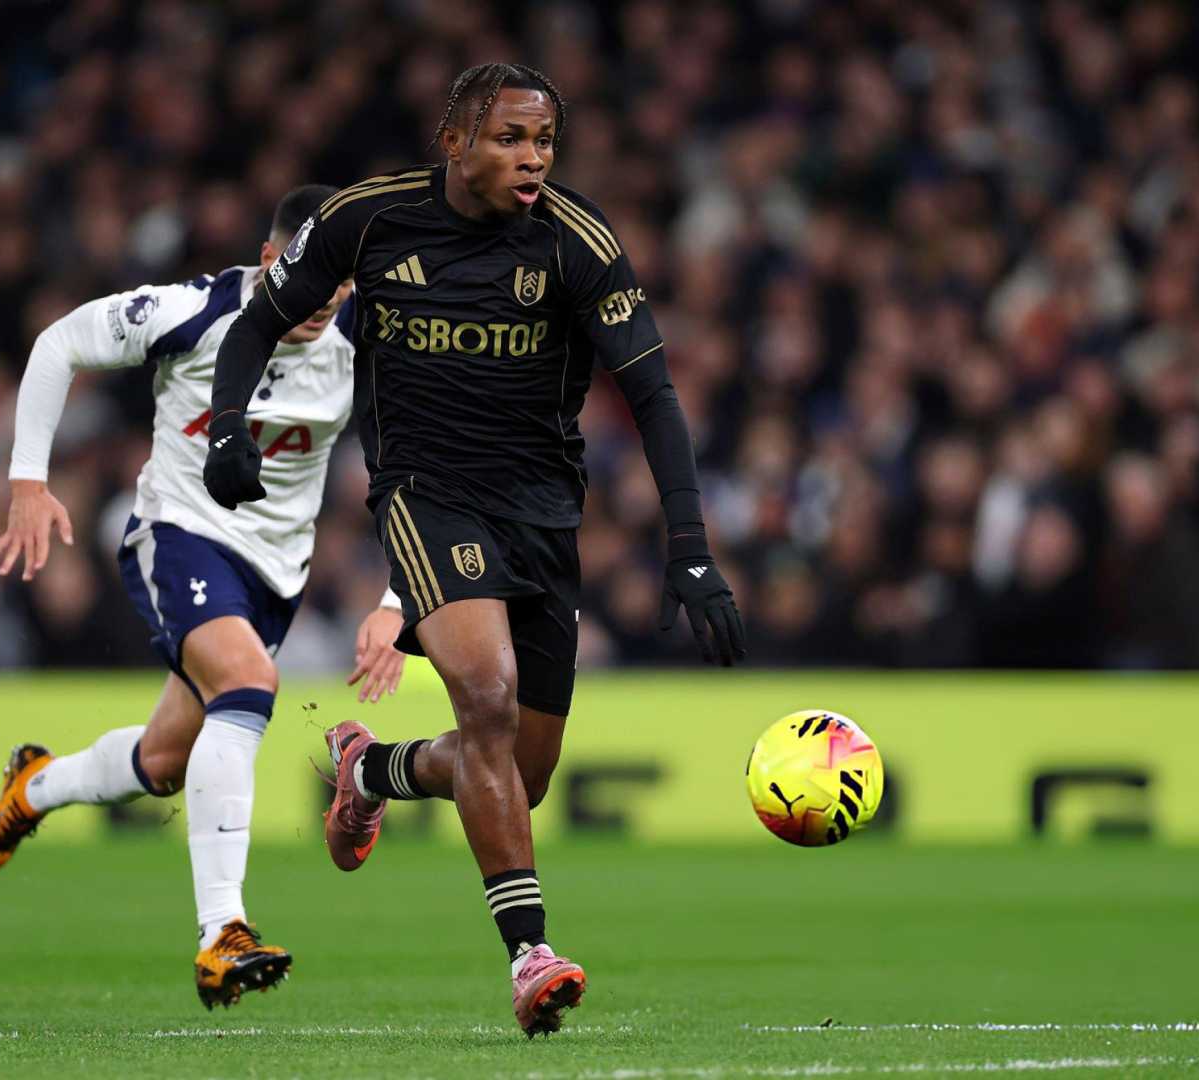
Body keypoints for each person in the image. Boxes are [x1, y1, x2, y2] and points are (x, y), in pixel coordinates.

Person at [203, 63, 747, 1036]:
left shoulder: (577, 242)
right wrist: (227, 430)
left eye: (543, 140)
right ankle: (530, 954)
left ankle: (368, 774)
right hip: (426, 498)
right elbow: (256, 325)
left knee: (519, 771)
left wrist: (691, 547)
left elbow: (655, 397)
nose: (532, 157)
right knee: (485, 697)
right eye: (509, 138)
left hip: (542, 514)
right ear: (453, 142)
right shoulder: (367, 221)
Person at [0, 184, 409, 1010]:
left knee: (165, 764)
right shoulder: (193, 311)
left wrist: (395, 599)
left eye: (336, 287)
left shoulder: (363, 339)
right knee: (247, 687)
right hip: (179, 536)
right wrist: (28, 479)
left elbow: (416, 471)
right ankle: (221, 933)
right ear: (272, 261)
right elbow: (60, 343)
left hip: (276, 576)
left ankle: (34, 787)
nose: (320, 303)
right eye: (305, 279)